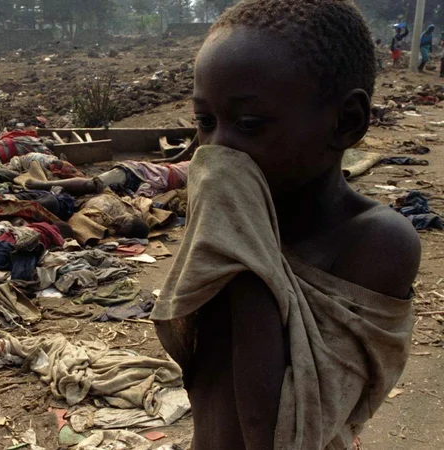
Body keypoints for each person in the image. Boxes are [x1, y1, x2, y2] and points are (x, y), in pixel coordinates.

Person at [152, 1, 420, 449]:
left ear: (346, 121)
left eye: (249, 124)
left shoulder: (375, 241)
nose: (219, 151)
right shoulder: (239, 213)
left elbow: (278, 430)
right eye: (205, 122)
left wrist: (240, 245)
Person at [26, 160, 190, 198]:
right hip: (134, 172)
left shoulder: (182, 176)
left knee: (91, 195)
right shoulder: (190, 169)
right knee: (93, 184)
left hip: (137, 177)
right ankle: (43, 184)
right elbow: (151, 183)